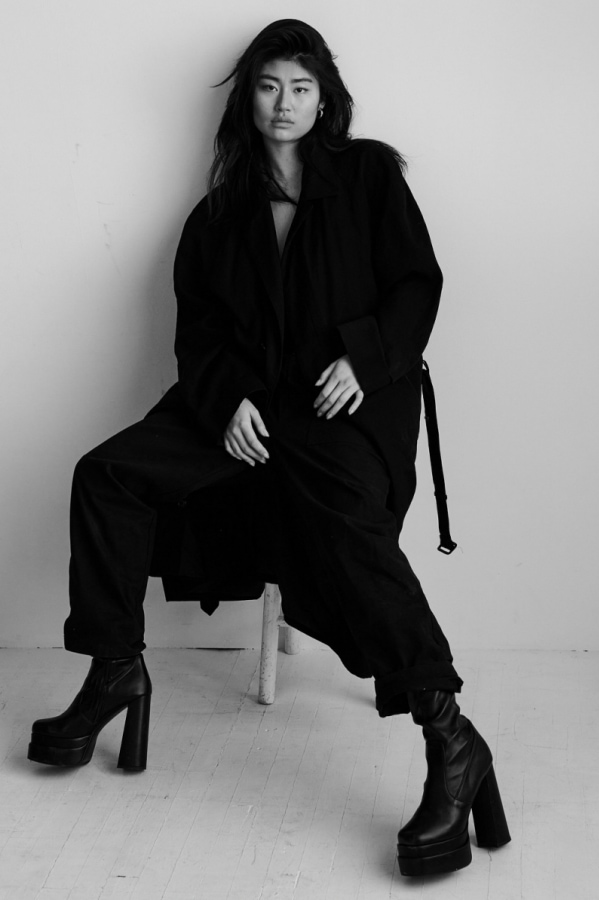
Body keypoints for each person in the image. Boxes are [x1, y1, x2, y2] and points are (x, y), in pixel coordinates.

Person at [27, 19, 510, 876]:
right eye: (267, 85)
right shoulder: (217, 216)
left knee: (347, 528)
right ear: (246, 98)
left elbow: (415, 284)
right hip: (242, 414)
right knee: (107, 475)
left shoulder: (368, 177)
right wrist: (223, 405)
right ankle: (114, 671)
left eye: (300, 86)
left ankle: (451, 738)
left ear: (324, 100)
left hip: (337, 409)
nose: (283, 102)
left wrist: (363, 359)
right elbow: (199, 335)